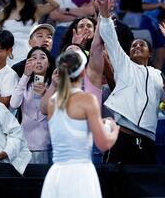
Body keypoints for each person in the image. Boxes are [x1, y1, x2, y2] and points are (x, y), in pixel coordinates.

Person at [97, 0, 164, 164]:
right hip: (122, 137)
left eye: (142, 45)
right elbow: (110, 37)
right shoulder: (123, 64)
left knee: (144, 189)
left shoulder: (158, 74)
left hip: (148, 140)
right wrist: (104, 13)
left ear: (150, 54)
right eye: (134, 45)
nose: (137, 46)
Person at [40, 50, 119, 198]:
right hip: (81, 174)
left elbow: (70, 125)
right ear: (83, 72)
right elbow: (103, 144)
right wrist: (113, 128)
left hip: (56, 175)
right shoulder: (87, 100)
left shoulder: (52, 102)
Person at [0, 0, 60, 66]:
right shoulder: (3, 12)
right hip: (7, 57)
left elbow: (56, 4)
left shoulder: (36, 10)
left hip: (29, 57)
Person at [10, 47, 55, 163]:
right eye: (34, 58)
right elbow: (14, 104)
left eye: (42, 57)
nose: (38, 61)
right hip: (25, 146)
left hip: (47, 146)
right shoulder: (23, 84)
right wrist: (25, 75)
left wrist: (46, 93)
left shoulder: (55, 85)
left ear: (49, 63)